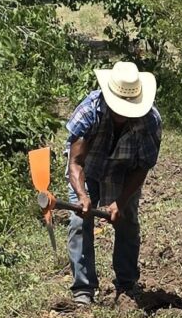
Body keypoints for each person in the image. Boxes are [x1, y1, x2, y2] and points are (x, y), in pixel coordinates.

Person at [64, 61, 162, 305]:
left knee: (127, 221)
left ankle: (127, 283)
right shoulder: (89, 112)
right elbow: (75, 162)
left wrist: (120, 201)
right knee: (79, 220)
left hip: (124, 173)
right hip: (90, 170)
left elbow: (143, 167)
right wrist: (82, 195)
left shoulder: (150, 121)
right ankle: (83, 290)